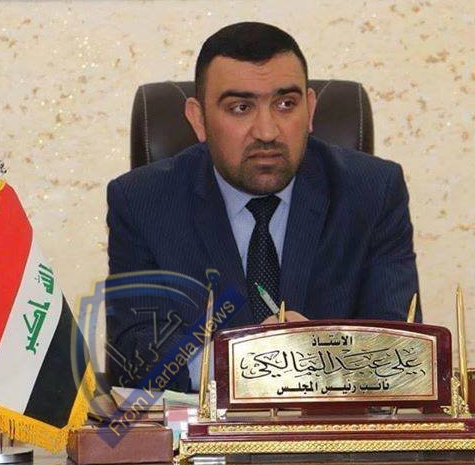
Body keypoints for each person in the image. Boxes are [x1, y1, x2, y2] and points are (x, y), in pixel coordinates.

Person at [106, 22, 421, 391]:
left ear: (310, 109)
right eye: (240, 108)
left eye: (286, 104)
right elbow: (134, 356)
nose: (267, 132)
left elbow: (405, 353)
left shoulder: (373, 192)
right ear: (198, 119)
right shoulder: (142, 202)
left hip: (332, 425)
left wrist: (320, 355)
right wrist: (248, 359)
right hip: (208, 429)